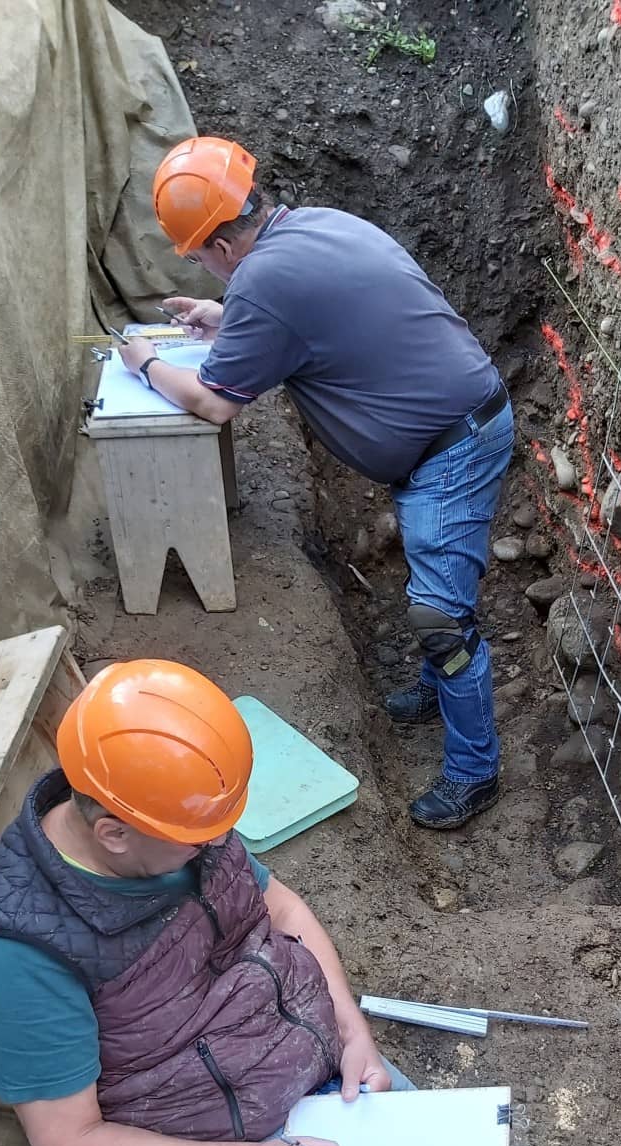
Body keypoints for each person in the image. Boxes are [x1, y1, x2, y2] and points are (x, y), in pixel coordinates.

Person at [117, 136, 514, 831]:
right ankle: (432, 690)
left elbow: (213, 403)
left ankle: (474, 774)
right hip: (450, 430)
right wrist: (226, 321)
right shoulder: (313, 227)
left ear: (216, 243)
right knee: (434, 596)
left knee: (441, 619)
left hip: (451, 450)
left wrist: (146, 363)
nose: (205, 270)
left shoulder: (265, 281)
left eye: (199, 257)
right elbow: (314, 317)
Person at [0, 660, 392, 1146]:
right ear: (112, 833)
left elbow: (285, 913)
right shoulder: (17, 958)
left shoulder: (173, 820)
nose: (218, 843)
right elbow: (70, 1143)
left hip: (324, 1079)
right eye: (199, 837)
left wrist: (351, 1031)